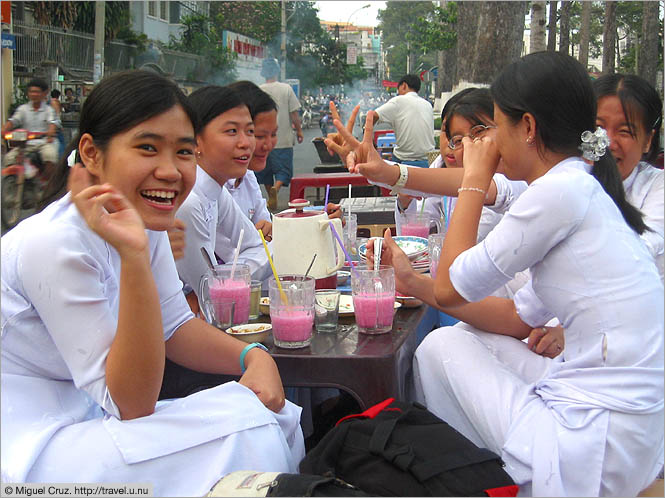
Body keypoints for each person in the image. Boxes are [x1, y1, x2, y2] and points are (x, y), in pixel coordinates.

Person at [361, 52, 663, 496]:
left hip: (597, 446)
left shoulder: (560, 192)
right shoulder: (578, 185)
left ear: (527, 128)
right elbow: (519, 318)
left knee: (439, 347)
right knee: (460, 337)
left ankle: (482, 481)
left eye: (495, 129)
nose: (490, 144)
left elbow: (451, 284)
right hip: (631, 437)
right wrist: (413, 283)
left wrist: (474, 177)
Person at [1, 70, 304, 495]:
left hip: (93, 420)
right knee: (247, 430)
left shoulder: (144, 221)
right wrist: (135, 256)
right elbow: (132, 403)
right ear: (91, 152)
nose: (170, 171)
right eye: (147, 148)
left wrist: (254, 357)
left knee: (278, 413)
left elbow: (175, 326)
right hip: (31, 449)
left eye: (183, 152)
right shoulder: (55, 243)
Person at [175, 85, 272, 313]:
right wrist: (219, 282)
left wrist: (225, 276)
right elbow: (211, 293)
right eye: (231, 131)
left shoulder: (215, 190)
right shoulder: (188, 201)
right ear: (195, 141)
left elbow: (260, 247)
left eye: (249, 131)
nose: (245, 143)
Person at [593, 73, 663, 281]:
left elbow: (644, 244)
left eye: (624, 132)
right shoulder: (571, 176)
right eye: (599, 128)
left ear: (648, 140)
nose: (608, 143)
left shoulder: (657, 186)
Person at [258, 58, 304, 210]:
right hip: (282, 139)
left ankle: (271, 194)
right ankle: (275, 190)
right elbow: (294, 114)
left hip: (262, 141)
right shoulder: (286, 89)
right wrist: (299, 131)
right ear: (277, 71)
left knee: (265, 171)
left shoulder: (259, 90)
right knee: (283, 171)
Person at [372, 74, 435, 167]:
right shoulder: (427, 105)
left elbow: (372, 115)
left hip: (405, 160)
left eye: (399, 89)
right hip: (428, 160)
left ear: (404, 86)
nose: (398, 93)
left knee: (393, 157)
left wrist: (369, 137)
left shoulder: (398, 101)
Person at [1, 77, 59, 175]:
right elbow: (13, 121)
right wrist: (3, 129)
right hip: (25, 144)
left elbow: (52, 123)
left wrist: (50, 133)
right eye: (31, 91)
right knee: (8, 159)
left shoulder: (49, 110)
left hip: (44, 143)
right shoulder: (23, 109)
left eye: (37, 92)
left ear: (44, 93)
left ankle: (48, 184)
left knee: (50, 156)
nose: (34, 94)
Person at [49, 89, 66, 160]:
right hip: (56, 127)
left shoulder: (49, 102)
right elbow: (57, 116)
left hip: (52, 126)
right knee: (61, 144)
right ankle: (61, 160)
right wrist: (60, 126)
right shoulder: (55, 102)